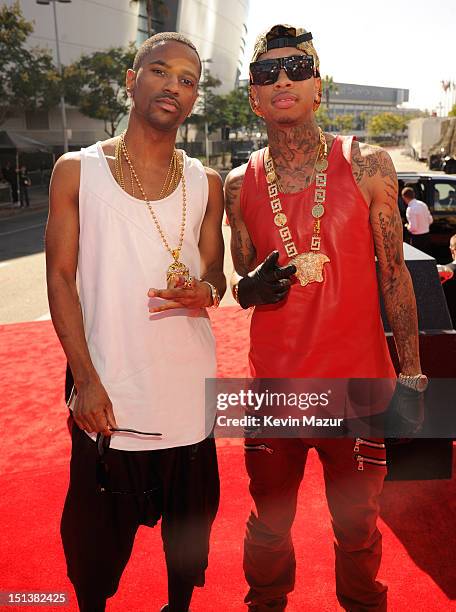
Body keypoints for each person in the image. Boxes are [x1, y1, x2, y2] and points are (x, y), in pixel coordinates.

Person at [224, 24, 427, 612]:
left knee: (358, 526)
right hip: (275, 392)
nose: (282, 80)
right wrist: (248, 289)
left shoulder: (367, 164)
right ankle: (266, 603)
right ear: (253, 97)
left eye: (296, 69)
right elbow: (242, 281)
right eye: (266, 73)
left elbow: (395, 275)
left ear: (319, 87)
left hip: (357, 388)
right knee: (268, 524)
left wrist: (411, 377)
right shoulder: (239, 185)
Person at [46, 32, 226, 612]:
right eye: (160, 70)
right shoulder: (78, 171)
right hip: (112, 400)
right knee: (95, 562)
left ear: (194, 98)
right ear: (132, 79)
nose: (174, 85)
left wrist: (206, 290)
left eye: (188, 79)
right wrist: (85, 378)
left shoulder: (208, 184)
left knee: (185, 556)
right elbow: (59, 278)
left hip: (187, 399)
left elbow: (216, 277)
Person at [402, 186, 433, 254]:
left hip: (417, 239)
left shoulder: (410, 209)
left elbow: (414, 228)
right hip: (426, 236)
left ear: (404, 197)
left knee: (418, 260)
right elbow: (430, 220)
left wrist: (407, 226)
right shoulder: (423, 204)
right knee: (426, 257)